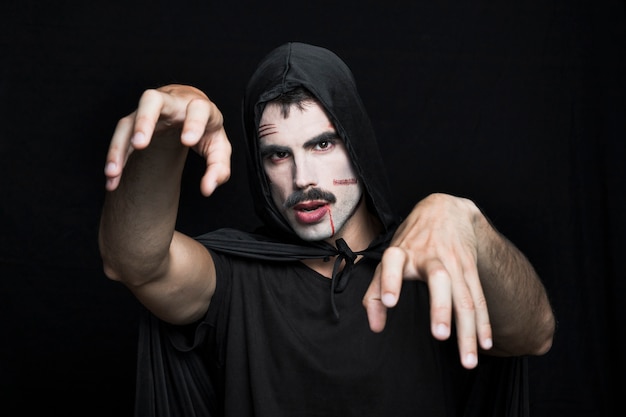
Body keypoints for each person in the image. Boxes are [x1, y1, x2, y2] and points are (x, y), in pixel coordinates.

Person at [99, 42, 555, 416]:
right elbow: (136, 263)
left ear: (355, 141)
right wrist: (162, 137)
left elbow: (535, 334)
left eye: (322, 143)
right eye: (278, 154)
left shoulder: (435, 257)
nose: (303, 179)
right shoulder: (234, 278)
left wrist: (466, 220)